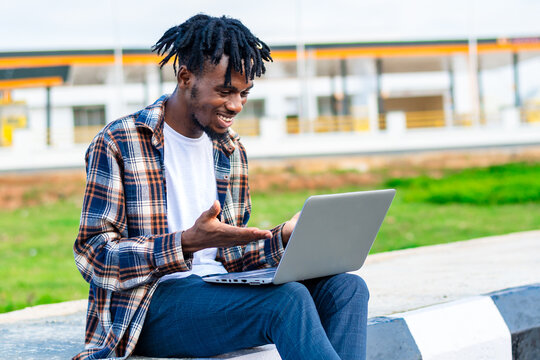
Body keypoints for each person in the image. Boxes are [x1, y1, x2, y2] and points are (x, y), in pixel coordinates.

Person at [73, 14, 369, 360]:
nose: (236, 105)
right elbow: (93, 257)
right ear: (185, 77)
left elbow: (231, 257)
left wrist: (285, 237)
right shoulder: (119, 141)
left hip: (216, 292)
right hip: (147, 308)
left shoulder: (230, 151)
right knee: (286, 301)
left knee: (347, 288)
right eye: (225, 91)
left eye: (244, 93)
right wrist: (183, 244)